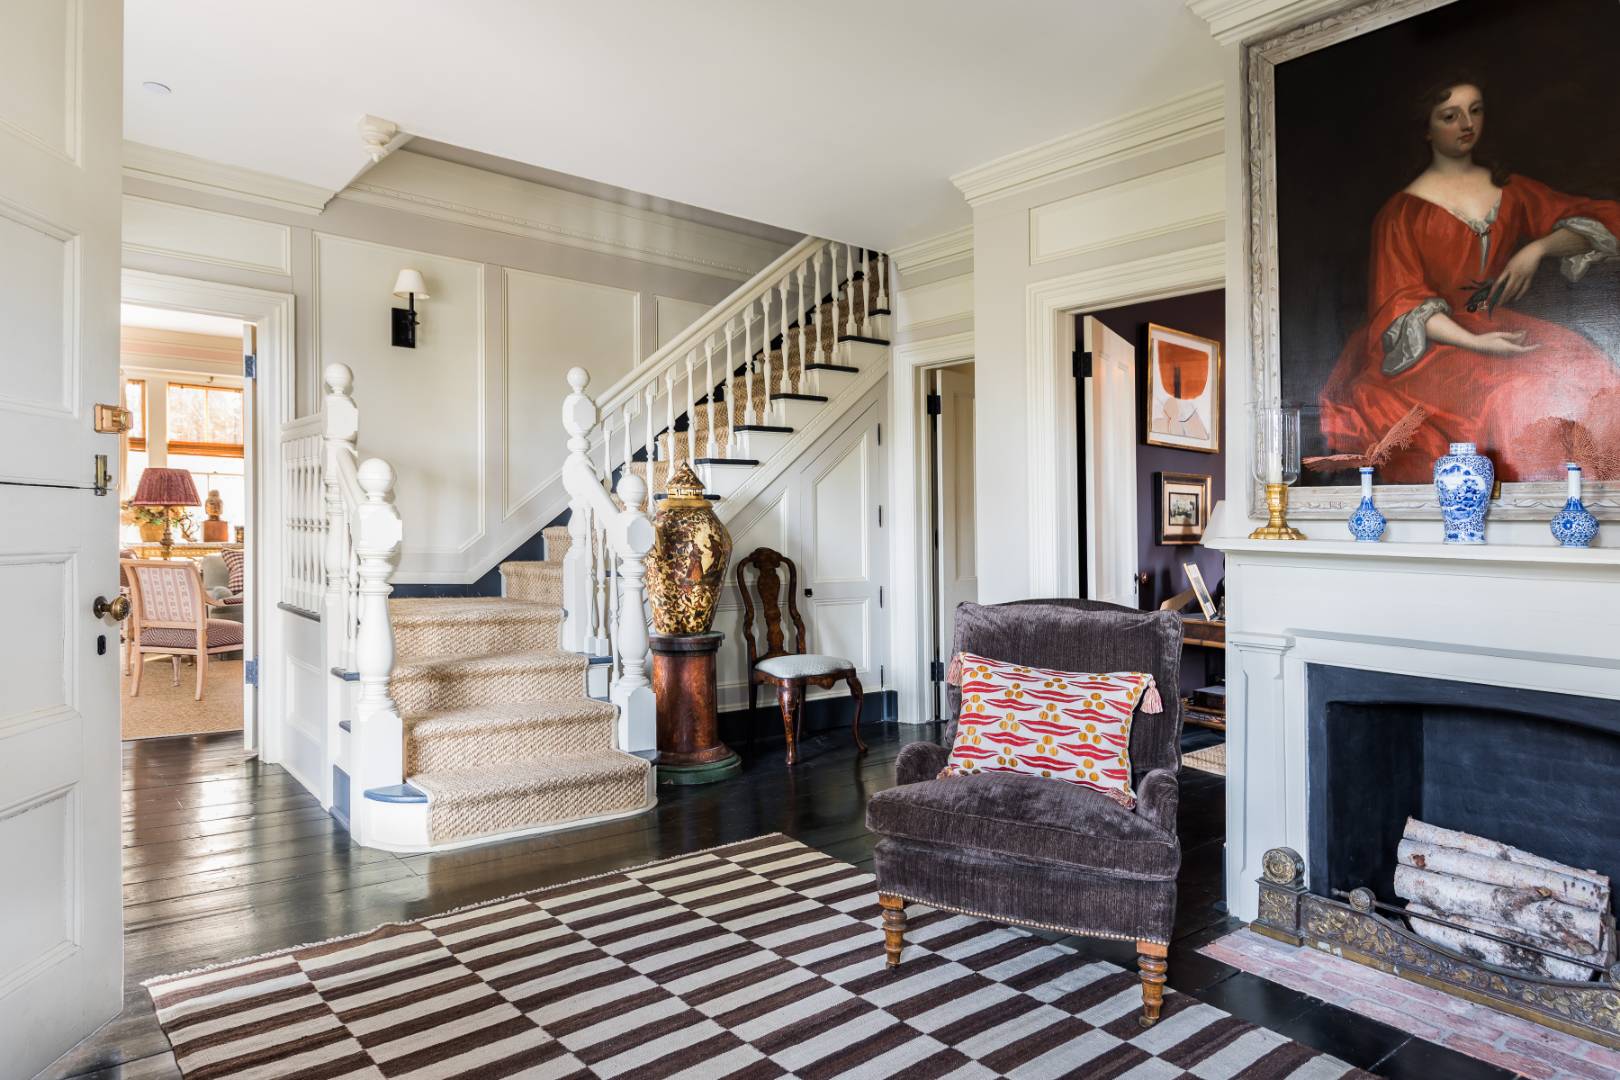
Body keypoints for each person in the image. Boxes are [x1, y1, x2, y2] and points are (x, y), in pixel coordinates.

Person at [1319, 76, 1620, 482]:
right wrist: (1478, 342)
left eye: (1475, 110)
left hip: (1497, 328)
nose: (1467, 123)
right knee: (1507, 398)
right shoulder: (1402, 212)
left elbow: (1596, 218)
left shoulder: (1510, 190)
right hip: (1433, 349)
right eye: (1450, 115)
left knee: (1592, 370)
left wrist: (1537, 249)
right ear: (1426, 129)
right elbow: (1402, 301)